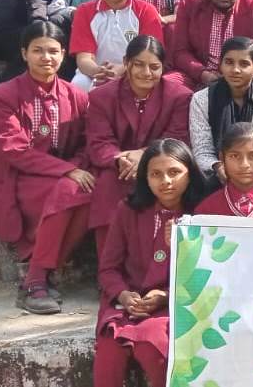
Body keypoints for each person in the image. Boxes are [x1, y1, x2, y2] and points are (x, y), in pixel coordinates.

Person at [0, 22, 91, 315]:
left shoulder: (77, 96)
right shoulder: (2, 96)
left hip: (64, 177)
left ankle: (37, 276)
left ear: (64, 54)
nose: (46, 57)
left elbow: (86, 144)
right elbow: (15, 150)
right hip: (19, 179)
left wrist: (74, 168)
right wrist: (68, 171)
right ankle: (37, 280)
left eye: (53, 51)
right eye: (38, 50)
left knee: (89, 194)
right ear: (24, 53)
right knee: (72, 190)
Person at [94, 138, 208, 387]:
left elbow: (206, 274)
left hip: (175, 304)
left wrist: (166, 296)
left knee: (154, 349)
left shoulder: (201, 214)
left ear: (190, 174)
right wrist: (123, 295)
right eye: (156, 174)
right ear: (145, 178)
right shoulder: (128, 210)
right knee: (108, 355)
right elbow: (108, 268)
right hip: (127, 303)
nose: (166, 181)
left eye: (174, 172)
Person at [85, 35, 192, 256]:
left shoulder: (179, 97)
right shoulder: (101, 96)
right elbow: (99, 141)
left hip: (161, 163)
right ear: (126, 63)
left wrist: (143, 155)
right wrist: (122, 159)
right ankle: (109, 264)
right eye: (139, 65)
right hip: (118, 166)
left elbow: (177, 137)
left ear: (163, 67)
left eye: (154, 67)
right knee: (108, 183)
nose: (146, 72)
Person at [188, 37, 253, 191]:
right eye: (229, 62)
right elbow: (202, 149)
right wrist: (218, 167)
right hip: (215, 177)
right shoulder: (201, 100)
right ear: (220, 65)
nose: (235, 70)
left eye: (244, 64)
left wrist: (244, 171)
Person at [69, 0, 164, 91]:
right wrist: (98, 71)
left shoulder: (146, 11)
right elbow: (83, 58)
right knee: (78, 85)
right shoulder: (84, 11)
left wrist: (122, 69)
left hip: (135, 72)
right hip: (94, 73)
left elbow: (150, 55)